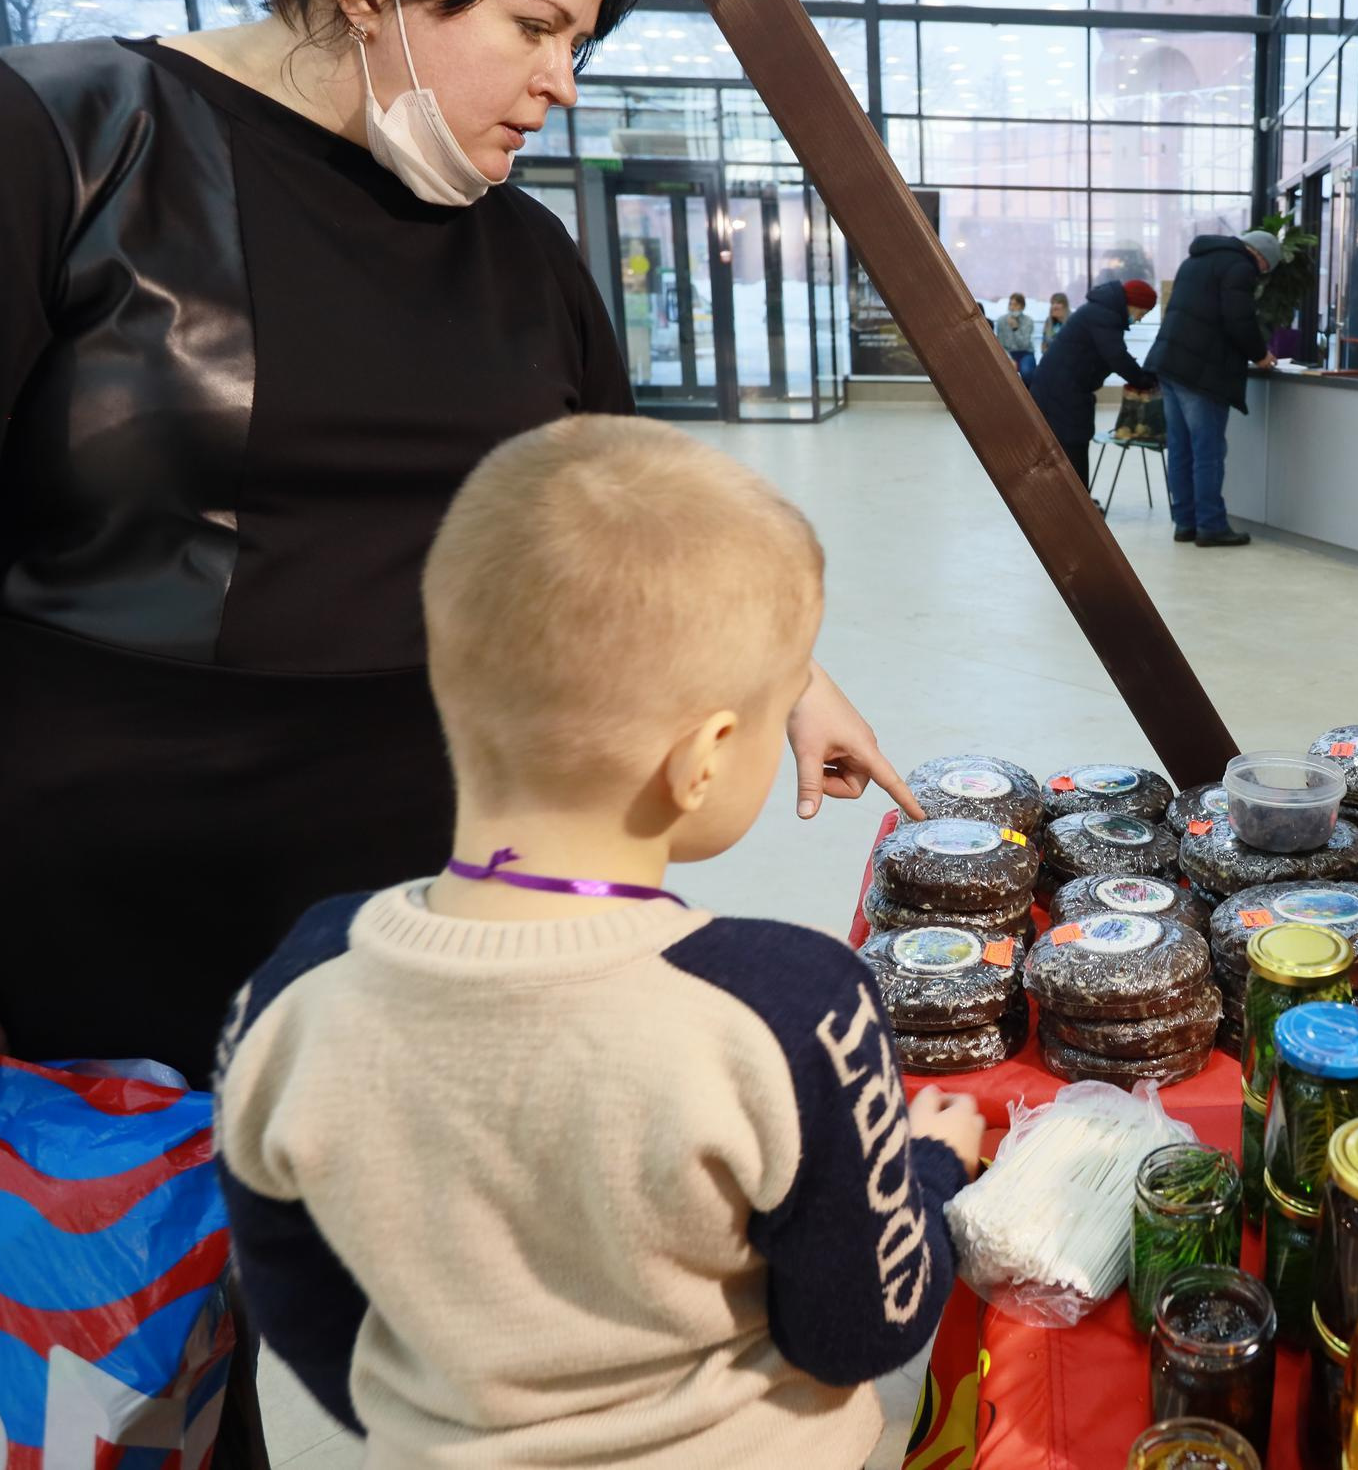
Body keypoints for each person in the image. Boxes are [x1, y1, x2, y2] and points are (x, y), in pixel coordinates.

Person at [0, 0, 916, 1105]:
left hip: (429, 928)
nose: (560, 84)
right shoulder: (39, 143)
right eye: (533, 28)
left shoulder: (524, 252)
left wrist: (788, 674)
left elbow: (618, 516)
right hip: (85, 941)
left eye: (582, 45)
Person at [216, 416, 988, 1464]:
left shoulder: (293, 986)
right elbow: (857, 1327)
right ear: (705, 758)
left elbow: (292, 1299)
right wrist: (929, 1174)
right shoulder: (788, 1003)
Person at [1147, 229, 1281, 546]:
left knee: (1180, 449)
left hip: (1171, 362)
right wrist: (1260, 355)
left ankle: (1185, 523)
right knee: (1207, 451)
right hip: (1201, 372)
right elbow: (1239, 319)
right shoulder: (1239, 267)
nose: (1260, 276)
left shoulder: (1194, 261)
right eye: (1265, 271)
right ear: (1260, 258)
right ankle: (1211, 526)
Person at [1028, 278, 1157, 489]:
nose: (1139, 319)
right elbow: (1116, 356)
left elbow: (1112, 355)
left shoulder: (1102, 312)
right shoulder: (1104, 315)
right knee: (1072, 444)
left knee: (1072, 443)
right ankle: (1077, 506)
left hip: (1063, 388)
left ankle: (1077, 503)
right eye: (1141, 313)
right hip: (1062, 391)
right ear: (1132, 304)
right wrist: (1144, 381)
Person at [994, 290, 1038, 378]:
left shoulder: (1028, 321)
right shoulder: (1001, 320)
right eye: (1010, 304)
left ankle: (1028, 391)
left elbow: (1024, 345)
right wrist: (1009, 358)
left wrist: (1015, 328)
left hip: (1025, 353)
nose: (1012, 307)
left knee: (1027, 372)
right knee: (1002, 372)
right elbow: (1000, 344)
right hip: (1007, 352)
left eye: (1016, 305)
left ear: (1022, 307)